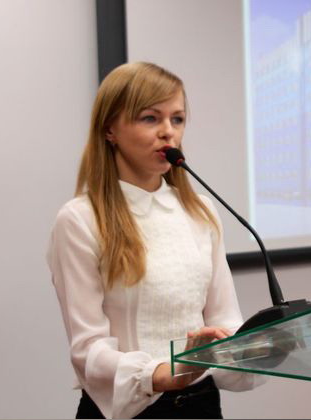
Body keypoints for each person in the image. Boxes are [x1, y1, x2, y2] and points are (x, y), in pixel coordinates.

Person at [47, 62, 264, 419]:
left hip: (202, 405)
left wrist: (261, 345)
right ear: (110, 129)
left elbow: (225, 320)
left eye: (177, 119)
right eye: (150, 118)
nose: (168, 132)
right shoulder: (80, 219)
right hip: (131, 409)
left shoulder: (200, 211)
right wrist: (164, 374)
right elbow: (88, 349)